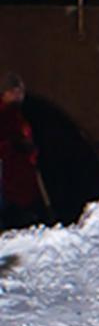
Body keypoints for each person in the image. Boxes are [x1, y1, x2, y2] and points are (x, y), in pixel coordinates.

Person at [0, 72, 49, 230]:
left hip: (21, 173)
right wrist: (16, 144)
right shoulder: (5, 114)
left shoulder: (16, 114)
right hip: (9, 175)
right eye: (15, 92)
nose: (19, 96)